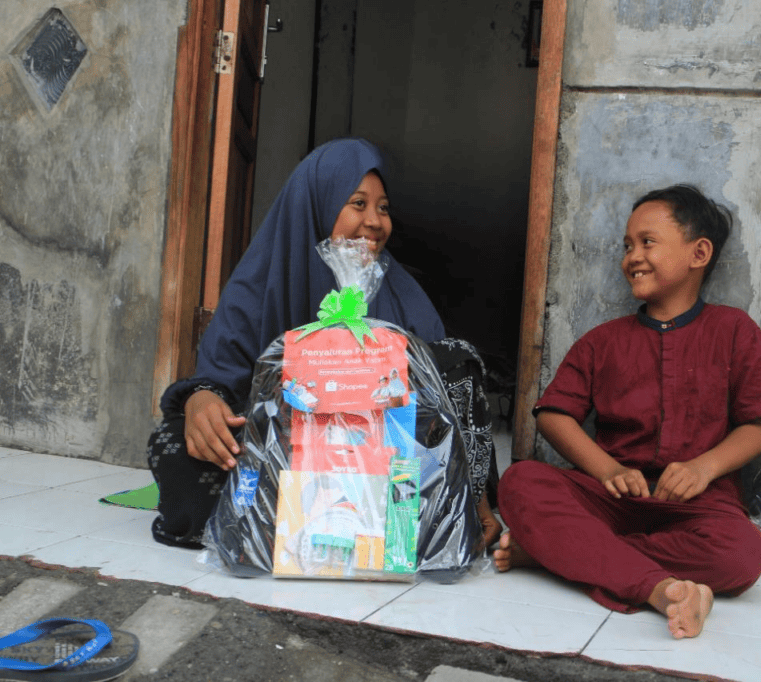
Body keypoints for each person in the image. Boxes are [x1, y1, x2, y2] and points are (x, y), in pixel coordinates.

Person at [148, 138, 501, 551]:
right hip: (284, 456)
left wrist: (475, 494)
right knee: (174, 447)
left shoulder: (402, 294)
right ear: (314, 204)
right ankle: (346, 530)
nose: (375, 221)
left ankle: (289, 532)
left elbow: (442, 402)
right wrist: (201, 399)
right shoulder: (259, 285)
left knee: (457, 359)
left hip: (380, 460)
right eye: (358, 203)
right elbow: (221, 378)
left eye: (383, 208)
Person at [494, 184, 761, 639]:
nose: (632, 256)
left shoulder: (734, 331)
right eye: (627, 246)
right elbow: (552, 414)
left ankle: (562, 552)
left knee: (745, 553)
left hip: (696, 507)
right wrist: (606, 468)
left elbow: (757, 425)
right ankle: (659, 588)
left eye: (648, 242)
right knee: (521, 482)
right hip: (609, 501)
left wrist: (703, 468)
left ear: (699, 252)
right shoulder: (604, 340)